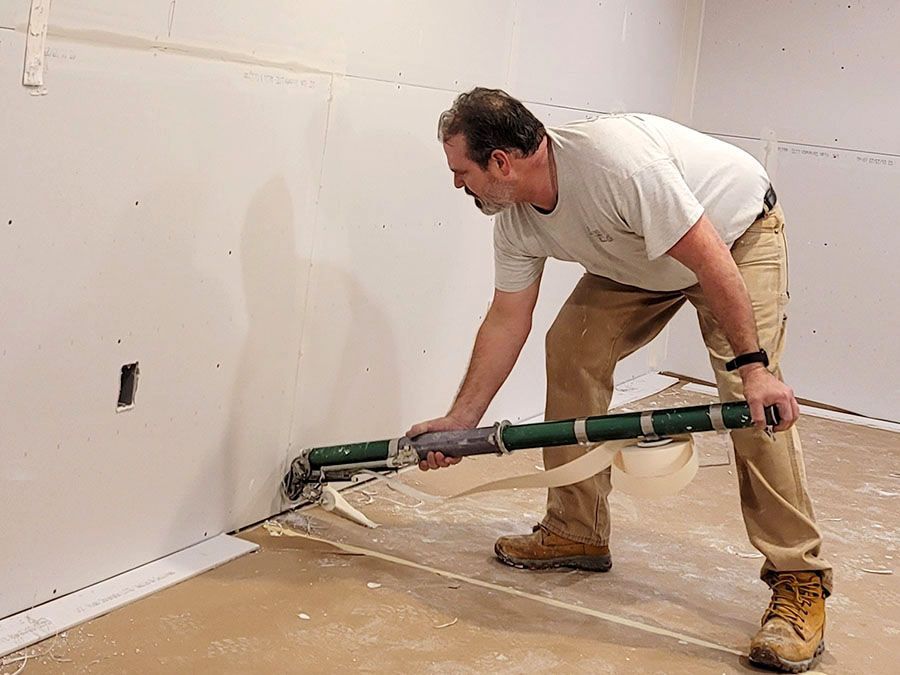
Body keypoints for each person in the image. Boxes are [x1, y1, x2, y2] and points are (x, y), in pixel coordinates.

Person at [406, 88, 831, 673]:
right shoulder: (515, 221)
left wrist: (755, 369)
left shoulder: (617, 167)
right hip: (640, 258)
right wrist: (462, 421)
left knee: (751, 402)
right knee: (571, 349)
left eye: (462, 172)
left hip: (733, 239)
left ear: (500, 162)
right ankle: (575, 529)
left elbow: (709, 260)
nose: (458, 184)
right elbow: (507, 320)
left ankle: (798, 579)